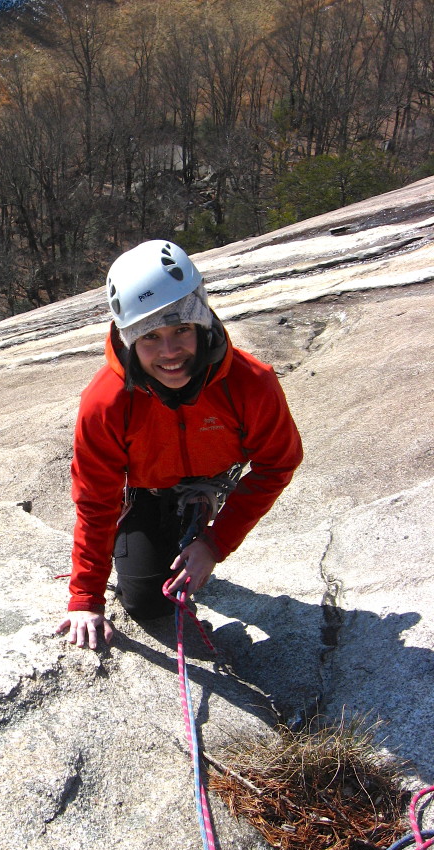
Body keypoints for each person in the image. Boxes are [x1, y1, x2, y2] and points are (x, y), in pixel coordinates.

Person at [56, 240, 303, 649]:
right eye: (150, 336)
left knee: (175, 577)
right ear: (129, 339)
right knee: (147, 603)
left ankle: (200, 509)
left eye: (182, 329)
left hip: (215, 476)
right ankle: (154, 522)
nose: (170, 353)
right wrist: (85, 597)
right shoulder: (107, 401)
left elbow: (278, 463)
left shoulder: (250, 383)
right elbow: (96, 500)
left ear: (201, 322)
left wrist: (214, 542)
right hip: (146, 489)